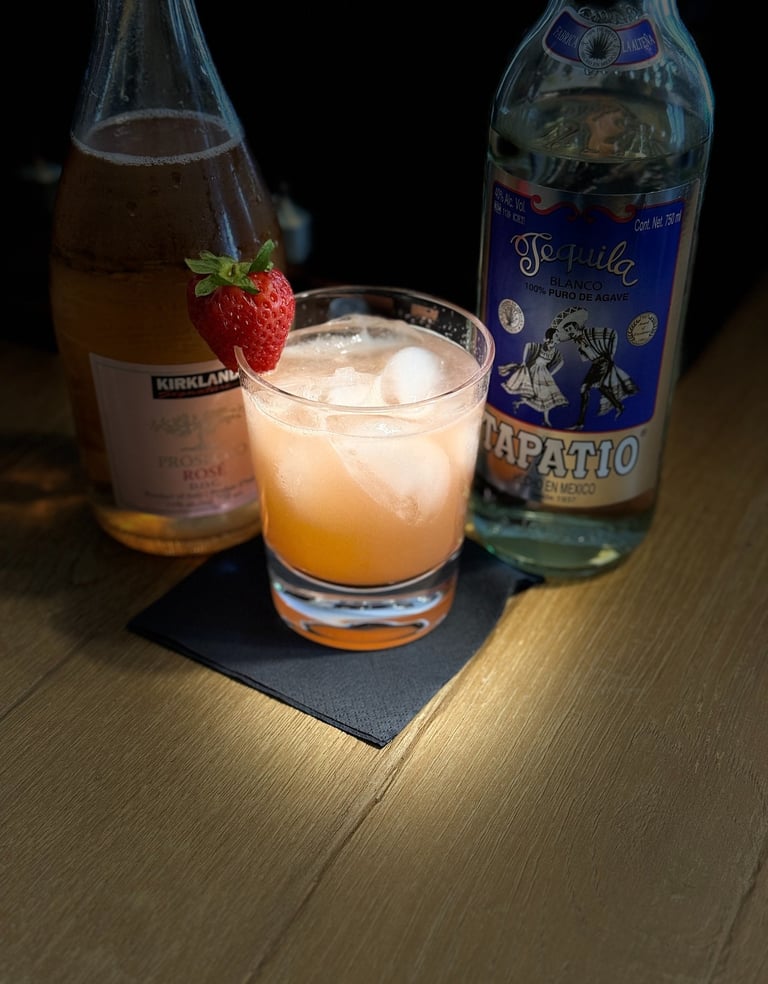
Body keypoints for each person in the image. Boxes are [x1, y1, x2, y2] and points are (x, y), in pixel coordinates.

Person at [552, 306, 638, 429]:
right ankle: (617, 407)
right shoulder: (578, 342)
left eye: (570, 329)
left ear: (576, 327)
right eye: (567, 330)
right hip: (596, 364)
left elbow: (612, 333)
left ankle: (581, 423)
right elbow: (585, 359)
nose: (569, 332)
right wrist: (581, 348)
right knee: (592, 388)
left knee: (591, 387)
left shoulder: (591, 333)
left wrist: (611, 354)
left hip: (604, 362)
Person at [498, 326, 569, 427]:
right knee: (536, 393)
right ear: (550, 337)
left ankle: (544, 418)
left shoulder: (555, 352)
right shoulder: (543, 346)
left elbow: (561, 362)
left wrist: (552, 373)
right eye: (556, 335)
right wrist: (524, 361)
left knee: (545, 395)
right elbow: (528, 345)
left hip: (544, 374)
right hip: (534, 371)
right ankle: (521, 403)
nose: (558, 337)